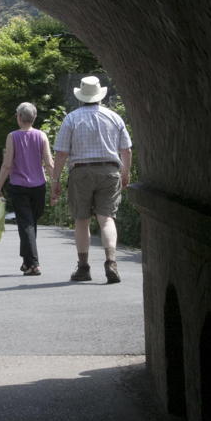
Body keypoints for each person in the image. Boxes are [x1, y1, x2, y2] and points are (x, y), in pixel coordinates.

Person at [51, 75, 132, 284]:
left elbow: (61, 153)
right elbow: (126, 149)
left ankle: (83, 267)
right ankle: (111, 262)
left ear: (81, 96)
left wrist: (55, 180)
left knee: (82, 219)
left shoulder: (71, 118)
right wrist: (125, 174)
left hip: (81, 172)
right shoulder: (114, 117)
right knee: (106, 218)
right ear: (100, 96)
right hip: (110, 171)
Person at [0, 102, 54, 276]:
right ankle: (27, 262)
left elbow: (7, 165)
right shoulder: (42, 136)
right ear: (34, 118)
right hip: (39, 187)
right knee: (30, 224)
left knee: (26, 225)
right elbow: (49, 163)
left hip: (19, 186)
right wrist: (55, 183)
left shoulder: (12, 136)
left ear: (19, 118)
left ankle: (33, 264)